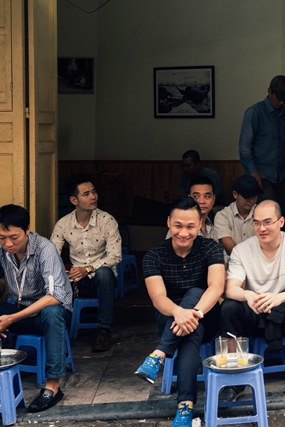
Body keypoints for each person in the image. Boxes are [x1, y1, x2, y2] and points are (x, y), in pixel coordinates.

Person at [220, 200, 285, 405]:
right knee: (229, 307)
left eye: (267, 222)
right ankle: (236, 377)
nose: (262, 228)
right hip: (256, 308)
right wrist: (247, 295)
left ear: (281, 221)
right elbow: (230, 289)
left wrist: (279, 297)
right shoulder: (242, 250)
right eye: (257, 223)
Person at [135, 197, 225, 427]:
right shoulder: (154, 256)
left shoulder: (211, 247)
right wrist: (180, 314)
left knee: (196, 292)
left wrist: (192, 313)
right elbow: (158, 298)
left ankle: (158, 355)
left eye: (190, 226)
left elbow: (216, 287)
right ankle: (184, 407)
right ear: (168, 222)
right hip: (170, 318)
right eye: (178, 225)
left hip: (207, 315)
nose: (183, 232)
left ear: (200, 224)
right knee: (189, 334)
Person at [0, 204, 72, 412]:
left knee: (52, 312)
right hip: (19, 310)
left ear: (27, 230)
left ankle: (53, 386)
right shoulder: (2, 249)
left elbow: (55, 297)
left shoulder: (44, 249)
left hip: (49, 314)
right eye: (2, 238)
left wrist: (11, 319)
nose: (8, 243)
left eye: (14, 237)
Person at [51, 173, 122, 353]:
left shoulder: (107, 221)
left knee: (104, 273)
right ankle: (58, 334)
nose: (93, 197)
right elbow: (51, 255)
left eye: (94, 192)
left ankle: (104, 331)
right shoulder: (63, 224)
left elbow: (115, 256)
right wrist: (65, 273)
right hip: (78, 282)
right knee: (56, 279)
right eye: (86, 194)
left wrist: (88, 268)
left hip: (103, 279)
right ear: (74, 200)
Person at [239, 75, 285, 216]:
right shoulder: (254, 113)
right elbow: (244, 146)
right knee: (270, 214)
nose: (281, 102)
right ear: (269, 91)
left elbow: (284, 142)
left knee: (281, 216)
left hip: (280, 175)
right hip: (261, 175)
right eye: (278, 98)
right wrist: (253, 172)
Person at [215, 174, 263, 255]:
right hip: (233, 263)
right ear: (235, 194)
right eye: (247, 196)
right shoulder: (223, 216)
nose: (251, 200)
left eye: (254, 196)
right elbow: (231, 250)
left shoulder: (263, 213)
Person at [167, 175, 219, 241]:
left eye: (207, 196)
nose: (201, 201)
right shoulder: (178, 227)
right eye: (196, 196)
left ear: (213, 200)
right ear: (189, 198)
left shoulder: (211, 227)